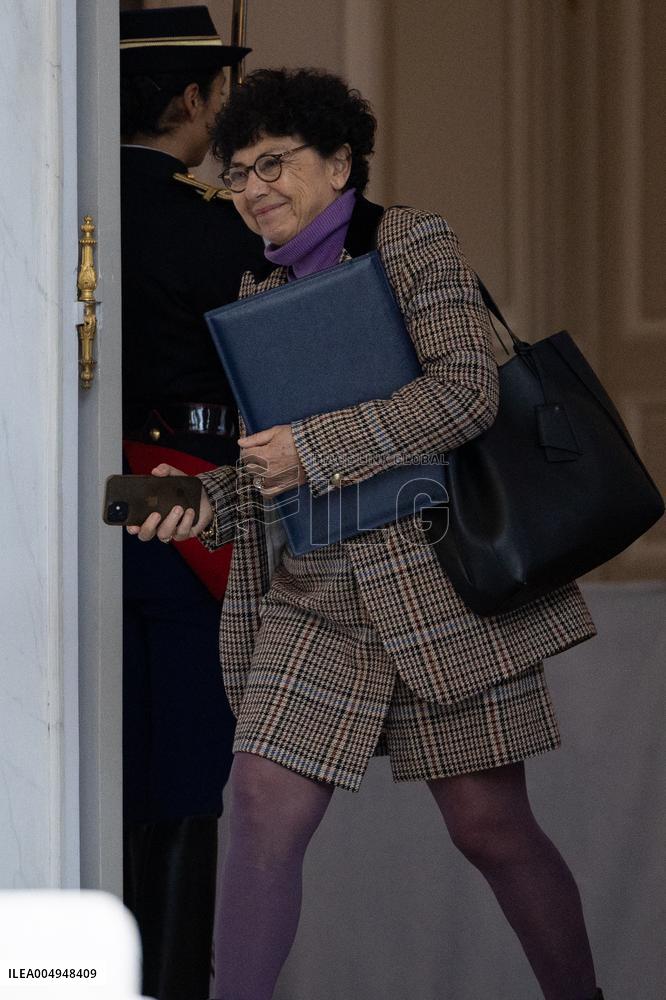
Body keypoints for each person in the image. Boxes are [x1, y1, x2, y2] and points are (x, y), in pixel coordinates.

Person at [129, 68, 605, 1000]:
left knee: (489, 828)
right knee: (261, 811)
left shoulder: (411, 242)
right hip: (316, 598)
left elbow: (464, 393)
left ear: (341, 160)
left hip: (443, 587)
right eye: (238, 172)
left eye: (276, 164)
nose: (256, 187)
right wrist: (207, 503)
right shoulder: (251, 283)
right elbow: (280, 464)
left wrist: (313, 446)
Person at [119, 9, 265, 1000]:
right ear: (189, 101)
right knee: (182, 783)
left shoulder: (54, 204)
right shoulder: (215, 225)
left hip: (81, 526)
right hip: (189, 526)